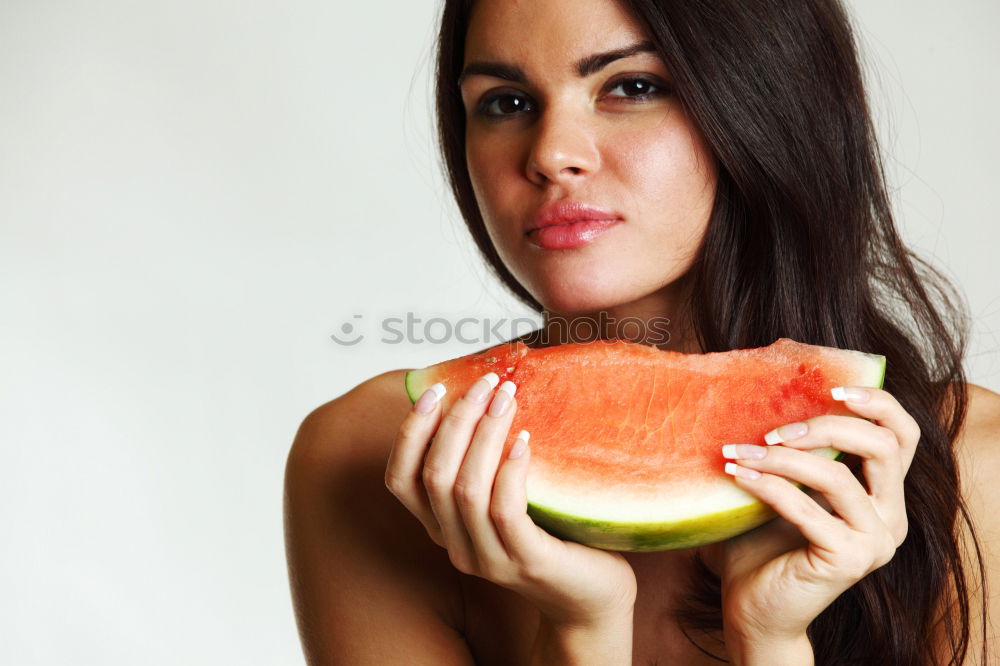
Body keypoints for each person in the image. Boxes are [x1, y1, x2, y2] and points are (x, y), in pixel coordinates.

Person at [283, 0, 999, 663]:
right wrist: (582, 629)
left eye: (631, 87)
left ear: (765, 103)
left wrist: (771, 639)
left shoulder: (975, 470)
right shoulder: (368, 465)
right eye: (507, 103)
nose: (551, 153)